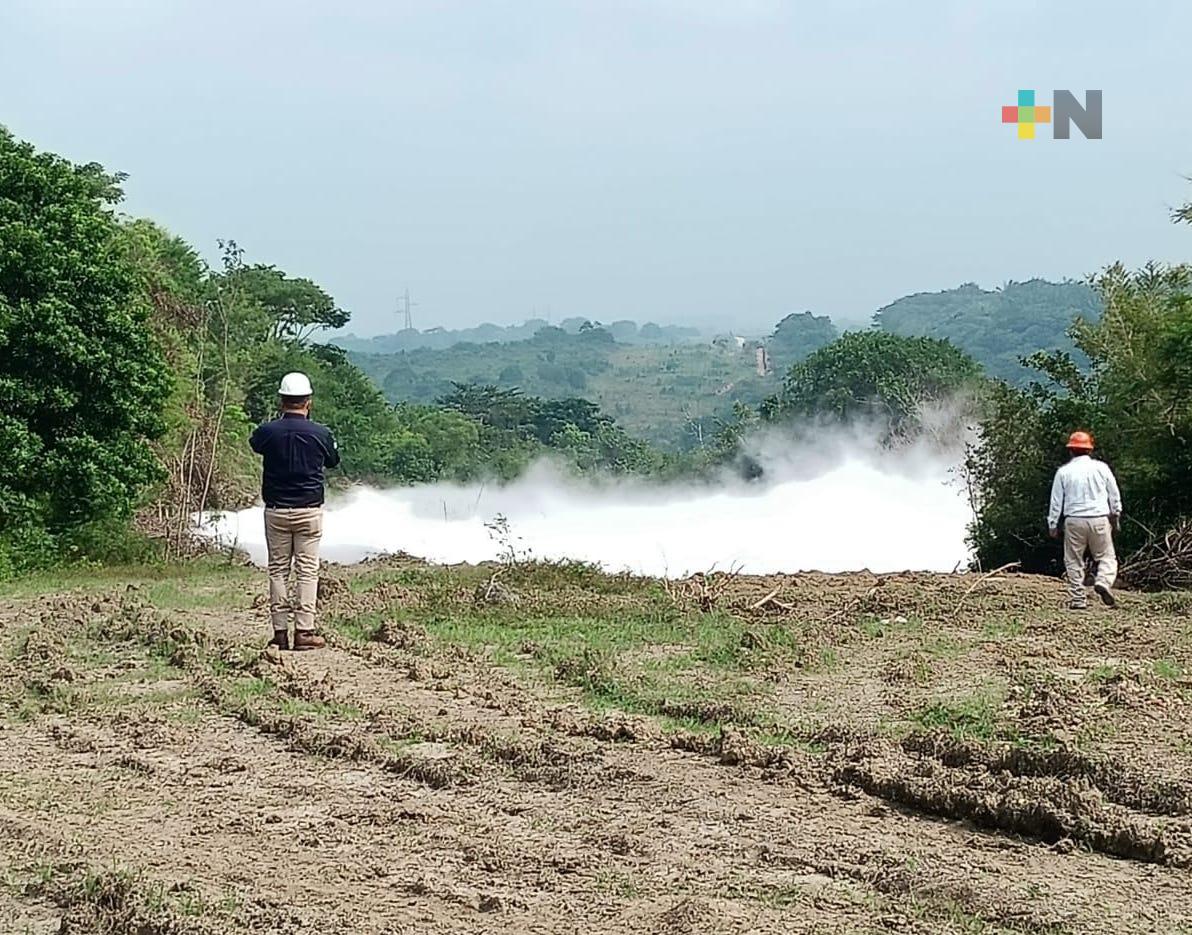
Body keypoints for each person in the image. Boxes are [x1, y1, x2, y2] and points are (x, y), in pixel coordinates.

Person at [249, 372, 340, 650]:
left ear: (281, 401)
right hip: (309, 510)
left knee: (277, 569)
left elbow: (255, 445)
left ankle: (279, 633)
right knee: (307, 571)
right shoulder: (321, 434)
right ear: (308, 402)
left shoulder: (267, 432)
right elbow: (333, 462)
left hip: (276, 510)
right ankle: (304, 631)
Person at [1047, 430, 1122, 610]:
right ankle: (1103, 581)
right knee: (1107, 557)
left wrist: (1052, 524)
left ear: (1070, 450)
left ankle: (1078, 600)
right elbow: (1114, 493)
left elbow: (1056, 501)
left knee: (1073, 560)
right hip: (1099, 519)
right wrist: (1116, 514)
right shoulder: (1102, 468)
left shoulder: (1063, 472)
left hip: (1074, 520)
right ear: (1089, 450)